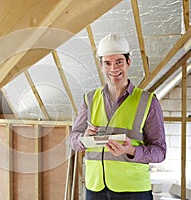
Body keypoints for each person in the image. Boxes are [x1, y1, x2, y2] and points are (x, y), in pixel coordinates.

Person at [70, 33, 166, 200]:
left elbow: (160, 151)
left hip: (133, 191)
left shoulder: (147, 101)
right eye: (107, 63)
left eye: (119, 62)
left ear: (128, 62)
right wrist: (83, 139)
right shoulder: (89, 99)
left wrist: (132, 151)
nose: (113, 69)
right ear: (101, 66)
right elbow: (73, 139)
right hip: (94, 189)